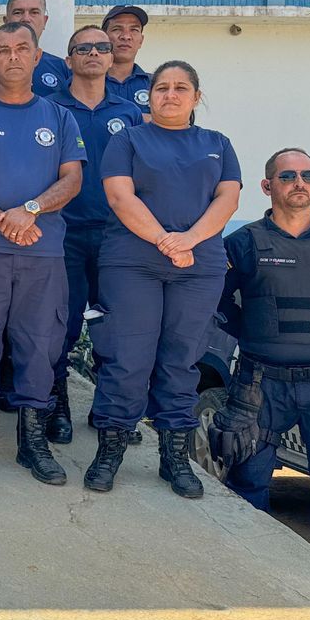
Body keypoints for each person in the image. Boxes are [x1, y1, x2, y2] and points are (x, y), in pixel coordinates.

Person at [212, 149, 310, 574]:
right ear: (268, 186)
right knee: (247, 477)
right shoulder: (242, 243)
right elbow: (217, 300)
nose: (299, 182)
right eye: (288, 175)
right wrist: (255, 334)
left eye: (308, 175)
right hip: (261, 382)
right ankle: (251, 574)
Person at [86, 61, 241, 495]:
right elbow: (119, 195)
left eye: (181, 88)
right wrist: (165, 241)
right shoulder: (128, 139)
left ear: (197, 96)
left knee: (182, 359)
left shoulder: (218, 144)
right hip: (133, 262)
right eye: (161, 88)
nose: (170, 95)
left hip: (198, 266)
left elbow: (227, 199)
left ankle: (174, 457)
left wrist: (188, 239)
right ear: (149, 96)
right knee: (127, 358)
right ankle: (110, 450)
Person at [0, 21, 85, 483]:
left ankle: (33, 443)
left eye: (21, 48)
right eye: (2, 50)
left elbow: (72, 180)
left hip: (42, 252)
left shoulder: (60, 117)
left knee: (39, 345)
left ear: (38, 55)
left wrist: (31, 210)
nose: (12, 57)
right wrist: (4, 221)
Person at [44, 26, 143, 444]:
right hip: (62, 233)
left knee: (114, 329)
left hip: (117, 237)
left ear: (111, 56)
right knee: (59, 327)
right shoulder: (48, 109)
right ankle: (57, 406)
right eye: (82, 48)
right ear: (68, 60)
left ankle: (110, 410)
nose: (94, 53)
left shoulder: (130, 114)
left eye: (101, 47)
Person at [4, 0, 70, 98]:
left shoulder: (62, 68)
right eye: (18, 12)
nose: (26, 18)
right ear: (6, 21)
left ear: (45, 21)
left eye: (34, 12)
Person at [103, 5, 152, 111]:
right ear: (103, 38)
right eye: (117, 29)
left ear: (141, 40)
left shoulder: (156, 84)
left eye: (134, 30)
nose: (126, 36)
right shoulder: (86, 82)